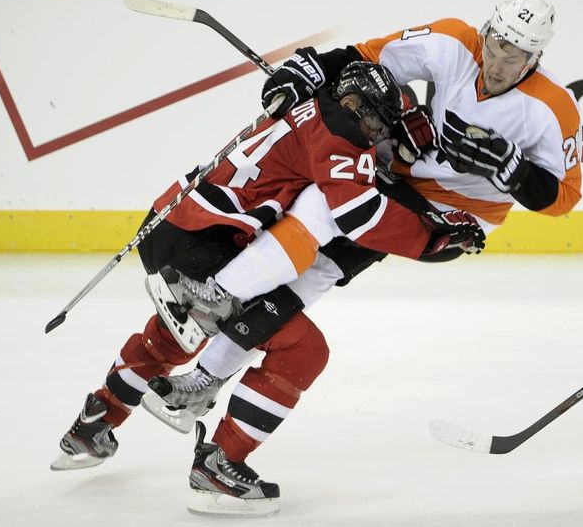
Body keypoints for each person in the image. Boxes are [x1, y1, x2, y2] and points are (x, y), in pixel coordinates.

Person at [140, 0, 583, 516]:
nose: (498, 59)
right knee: (306, 278)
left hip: (448, 218)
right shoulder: (453, 41)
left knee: (321, 209)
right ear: (485, 29)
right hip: (400, 180)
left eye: (515, 54)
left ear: (536, 58)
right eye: (495, 41)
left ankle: (216, 300)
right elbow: (369, 55)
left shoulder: (554, 109)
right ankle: (206, 378)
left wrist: (514, 171)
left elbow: (563, 199)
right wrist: (310, 67)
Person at [51, 59, 482, 501]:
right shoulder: (342, 137)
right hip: (203, 249)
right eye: (372, 119)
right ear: (352, 102)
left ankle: (96, 420)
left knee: (182, 331)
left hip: (172, 222)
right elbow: (358, 214)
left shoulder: (312, 104)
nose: (374, 132)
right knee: (303, 349)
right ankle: (220, 462)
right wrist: (433, 238)